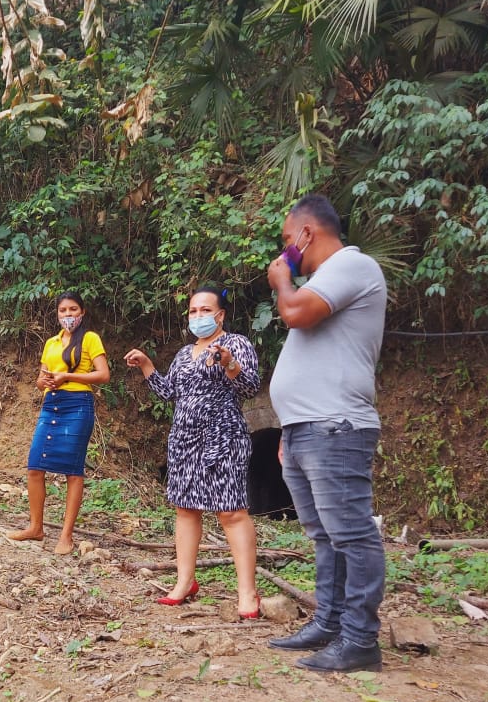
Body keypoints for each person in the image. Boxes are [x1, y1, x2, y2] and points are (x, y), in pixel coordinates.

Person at [265, 193, 387, 672]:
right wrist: (287, 428)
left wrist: (282, 279)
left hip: (336, 425)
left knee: (351, 533)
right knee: (324, 534)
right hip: (305, 428)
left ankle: (359, 640)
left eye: (286, 239)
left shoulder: (351, 266)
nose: (285, 249)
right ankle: (330, 621)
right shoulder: (323, 280)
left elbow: (295, 313)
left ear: (306, 233)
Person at [124, 288, 262, 620]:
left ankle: (247, 592)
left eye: (205, 310)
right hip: (184, 440)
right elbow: (169, 392)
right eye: (193, 310)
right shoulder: (185, 353)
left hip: (223, 437)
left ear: (221, 315)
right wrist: (147, 365)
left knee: (231, 512)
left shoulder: (236, 343)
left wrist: (229, 364)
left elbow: (250, 387)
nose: (198, 316)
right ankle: (185, 582)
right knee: (186, 509)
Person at [8, 292, 111, 554]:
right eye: (63, 310)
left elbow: (103, 374)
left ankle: (66, 535)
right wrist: (45, 381)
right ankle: (36, 527)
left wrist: (67, 376)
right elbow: (40, 379)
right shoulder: (51, 342)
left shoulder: (90, 338)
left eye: (73, 309)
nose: (68, 315)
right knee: (35, 466)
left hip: (77, 405)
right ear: (57, 313)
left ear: (82, 312)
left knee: (73, 472)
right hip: (51, 403)